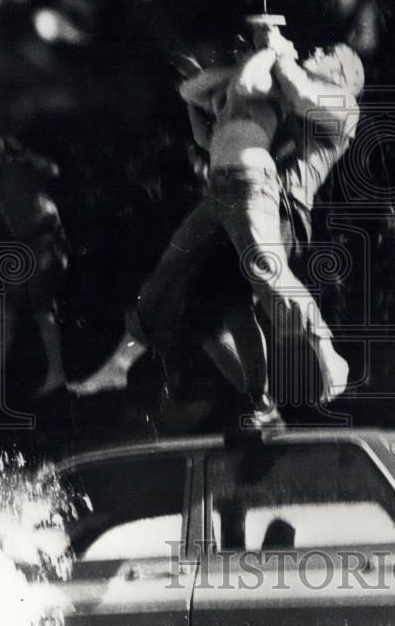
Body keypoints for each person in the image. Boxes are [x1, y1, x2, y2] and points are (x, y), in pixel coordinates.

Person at [136, 27, 363, 430]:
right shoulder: (285, 91)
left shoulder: (342, 104)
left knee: (264, 274)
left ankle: (327, 356)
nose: (318, 49)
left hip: (286, 210)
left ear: (344, 75)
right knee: (213, 312)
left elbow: (302, 95)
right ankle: (262, 405)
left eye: (329, 51)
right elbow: (221, 131)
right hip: (251, 198)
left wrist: (275, 49)